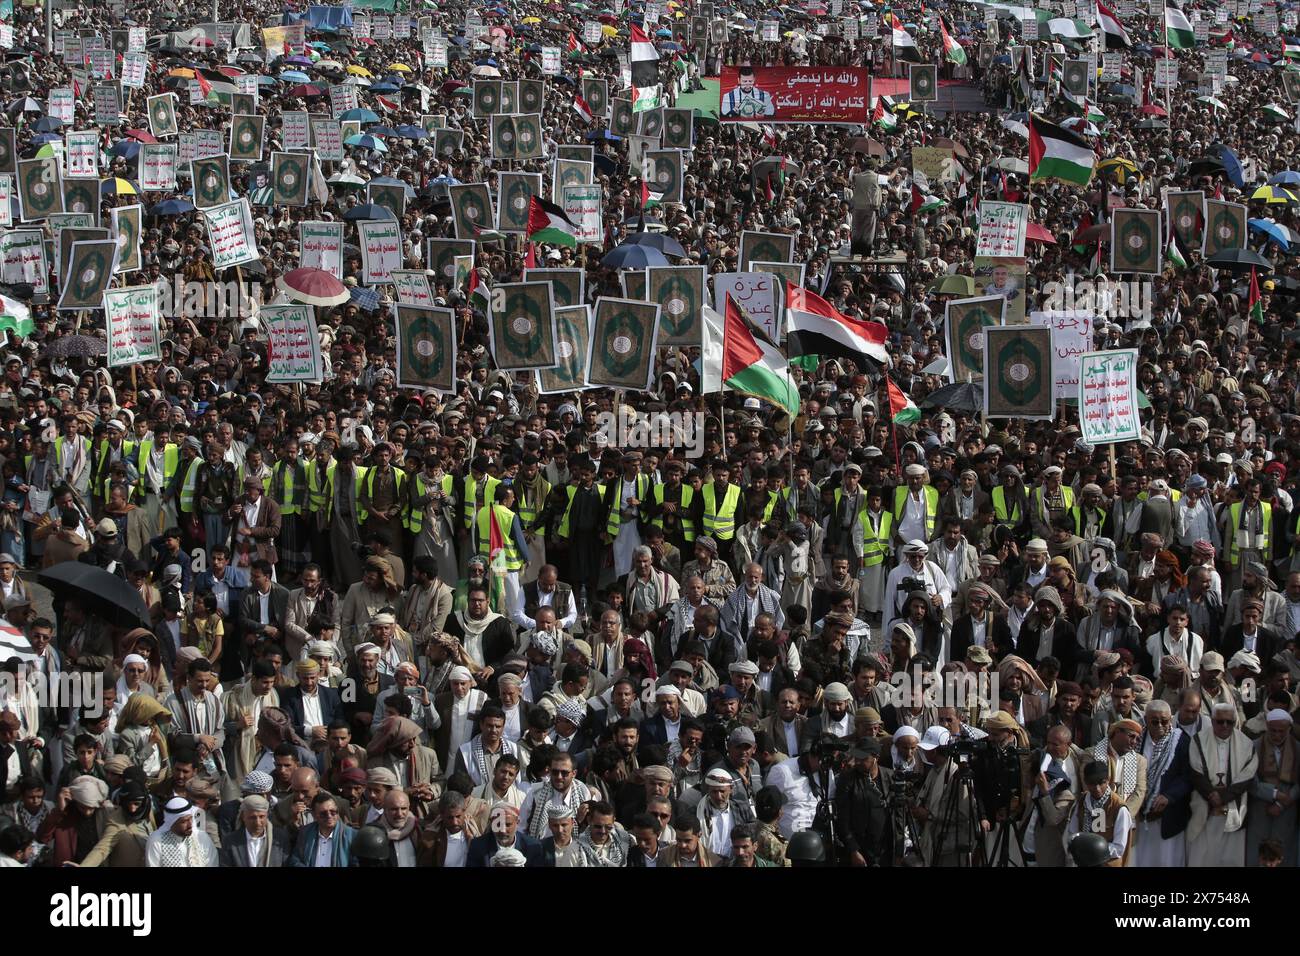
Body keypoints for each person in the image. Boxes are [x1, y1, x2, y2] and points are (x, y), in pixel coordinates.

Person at [1187, 702, 1258, 867]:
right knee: (1202, 856)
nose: (1225, 725)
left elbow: (1247, 776)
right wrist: (1212, 796)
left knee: (1230, 857)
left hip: (1233, 806)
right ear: (1212, 721)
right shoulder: (1198, 740)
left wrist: (1223, 797)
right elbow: (1195, 771)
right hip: (1206, 806)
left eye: (1229, 722)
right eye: (1220, 721)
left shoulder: (1246, 744)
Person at [145, 796, 218, 867]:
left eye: (190, 818)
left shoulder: (201, 837)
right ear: (172, 822)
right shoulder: (156, 840)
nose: (190, 825)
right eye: (184, 821)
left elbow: (212, 863)